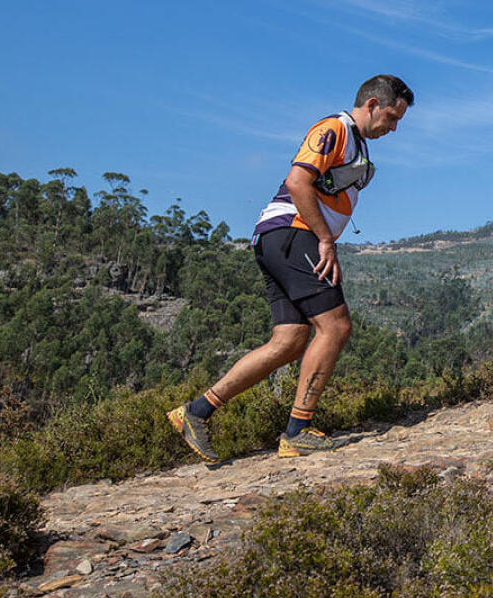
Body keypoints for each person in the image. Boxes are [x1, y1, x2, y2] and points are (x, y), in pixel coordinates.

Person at [168, 74, 414, 466]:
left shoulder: (356, 141)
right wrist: (324, 240)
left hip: (278, 239)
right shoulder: (333, 129)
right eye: (391, 116)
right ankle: (298, 432)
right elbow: (298, 182)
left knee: (290, 340)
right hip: (292, 233)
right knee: (335, 327)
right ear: (371, 104)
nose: (393, 127)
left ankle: (195, 412)